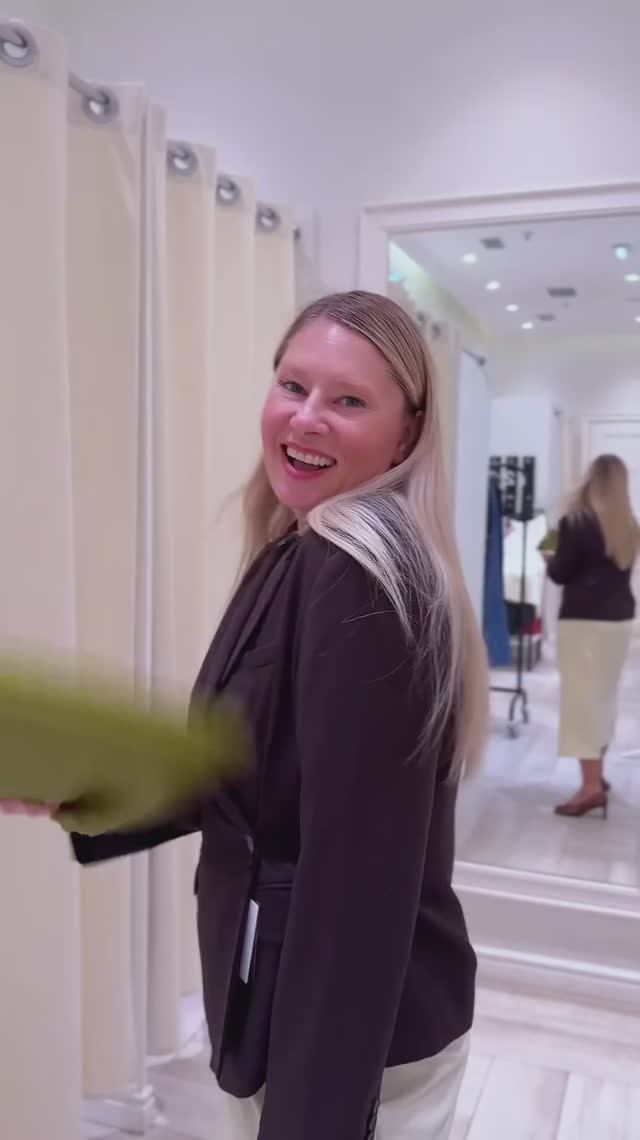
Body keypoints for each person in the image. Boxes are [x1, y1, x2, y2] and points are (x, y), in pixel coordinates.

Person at [1, 291, 488, 1140]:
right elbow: (246, 765)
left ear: (406, 434)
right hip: (291, 1012)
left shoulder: (358, 582)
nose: (306, 418)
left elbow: (357, 887)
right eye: (293, 385)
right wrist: (85, 791)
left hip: (349, 1039)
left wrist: (310, 1121)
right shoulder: (298, 549)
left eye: (348, 400)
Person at [546, 454, 638, 819]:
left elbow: (559, 573)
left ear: (591, 480)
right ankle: (596, 773)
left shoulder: (575, 522)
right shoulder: (629, 525)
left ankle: (590, 788)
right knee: (602, 697)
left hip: (583, 622)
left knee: (582, 702)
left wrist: (549, 553)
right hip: (619, 620)